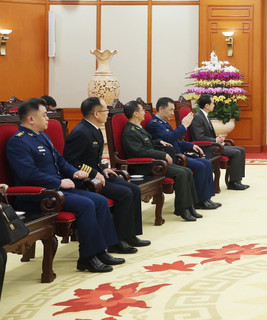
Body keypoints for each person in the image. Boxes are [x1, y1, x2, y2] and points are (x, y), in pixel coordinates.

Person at [6, 97, 122, 273]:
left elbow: (60, 161)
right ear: (31, 119)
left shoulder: (42, 136)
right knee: (87, 204)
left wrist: (73, 172)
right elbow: (28, 174)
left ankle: (101, 250)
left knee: (99, 200)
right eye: (44, 115)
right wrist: (58, 182)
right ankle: (87, 258)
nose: (48, 118)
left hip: (56, 190)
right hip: (38, 195)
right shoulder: (18, 142)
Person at [63, 97, 150, 254]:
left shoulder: (94, 129)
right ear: (96, 113)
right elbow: (71, 162)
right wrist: (94, 172)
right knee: (124, 193)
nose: (107, 114)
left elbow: (93, 158)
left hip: (98, 175)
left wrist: (103, 168)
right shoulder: (81, 132)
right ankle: (117, 241)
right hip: (86, 180)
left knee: (134, 189)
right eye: (105, 111)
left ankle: (130, 234)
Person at [121, 100, 201, 222]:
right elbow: (140, 152)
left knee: (187, 171)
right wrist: (162, 154)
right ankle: (182, 209)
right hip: (144, 166)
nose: (145, 113)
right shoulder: (130, 132)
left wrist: (158, 142)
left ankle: (190, 206)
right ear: (135, 114)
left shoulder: (138, 129)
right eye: (142, 110)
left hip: (153, 162)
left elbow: (147, 143)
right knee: (182, 173)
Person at [147, 97, 221, 210]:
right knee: (200, 166)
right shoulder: (154, 124)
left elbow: (175, 141)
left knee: (206, 163)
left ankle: (206, 198)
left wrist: (191, 145)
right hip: (173, 157)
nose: (172, 113)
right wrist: (184, 126)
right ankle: (199, 201)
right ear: (161, 109)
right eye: (170, 110)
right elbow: (168, 138)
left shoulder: (164, 123)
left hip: (179, 153)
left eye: (173, 110)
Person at [188, 94, 248, 190]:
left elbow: (206, 134)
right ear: (206, 105)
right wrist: (215, 140)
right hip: (206, 148)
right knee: (236, 153)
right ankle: (233, 183)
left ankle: (237, 180)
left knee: (241, 150)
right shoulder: (198, 117)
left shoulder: (204, 115)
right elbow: (199, 137)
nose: (214, 105)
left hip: (213, 145)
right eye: (213, 103)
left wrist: (216, 137)